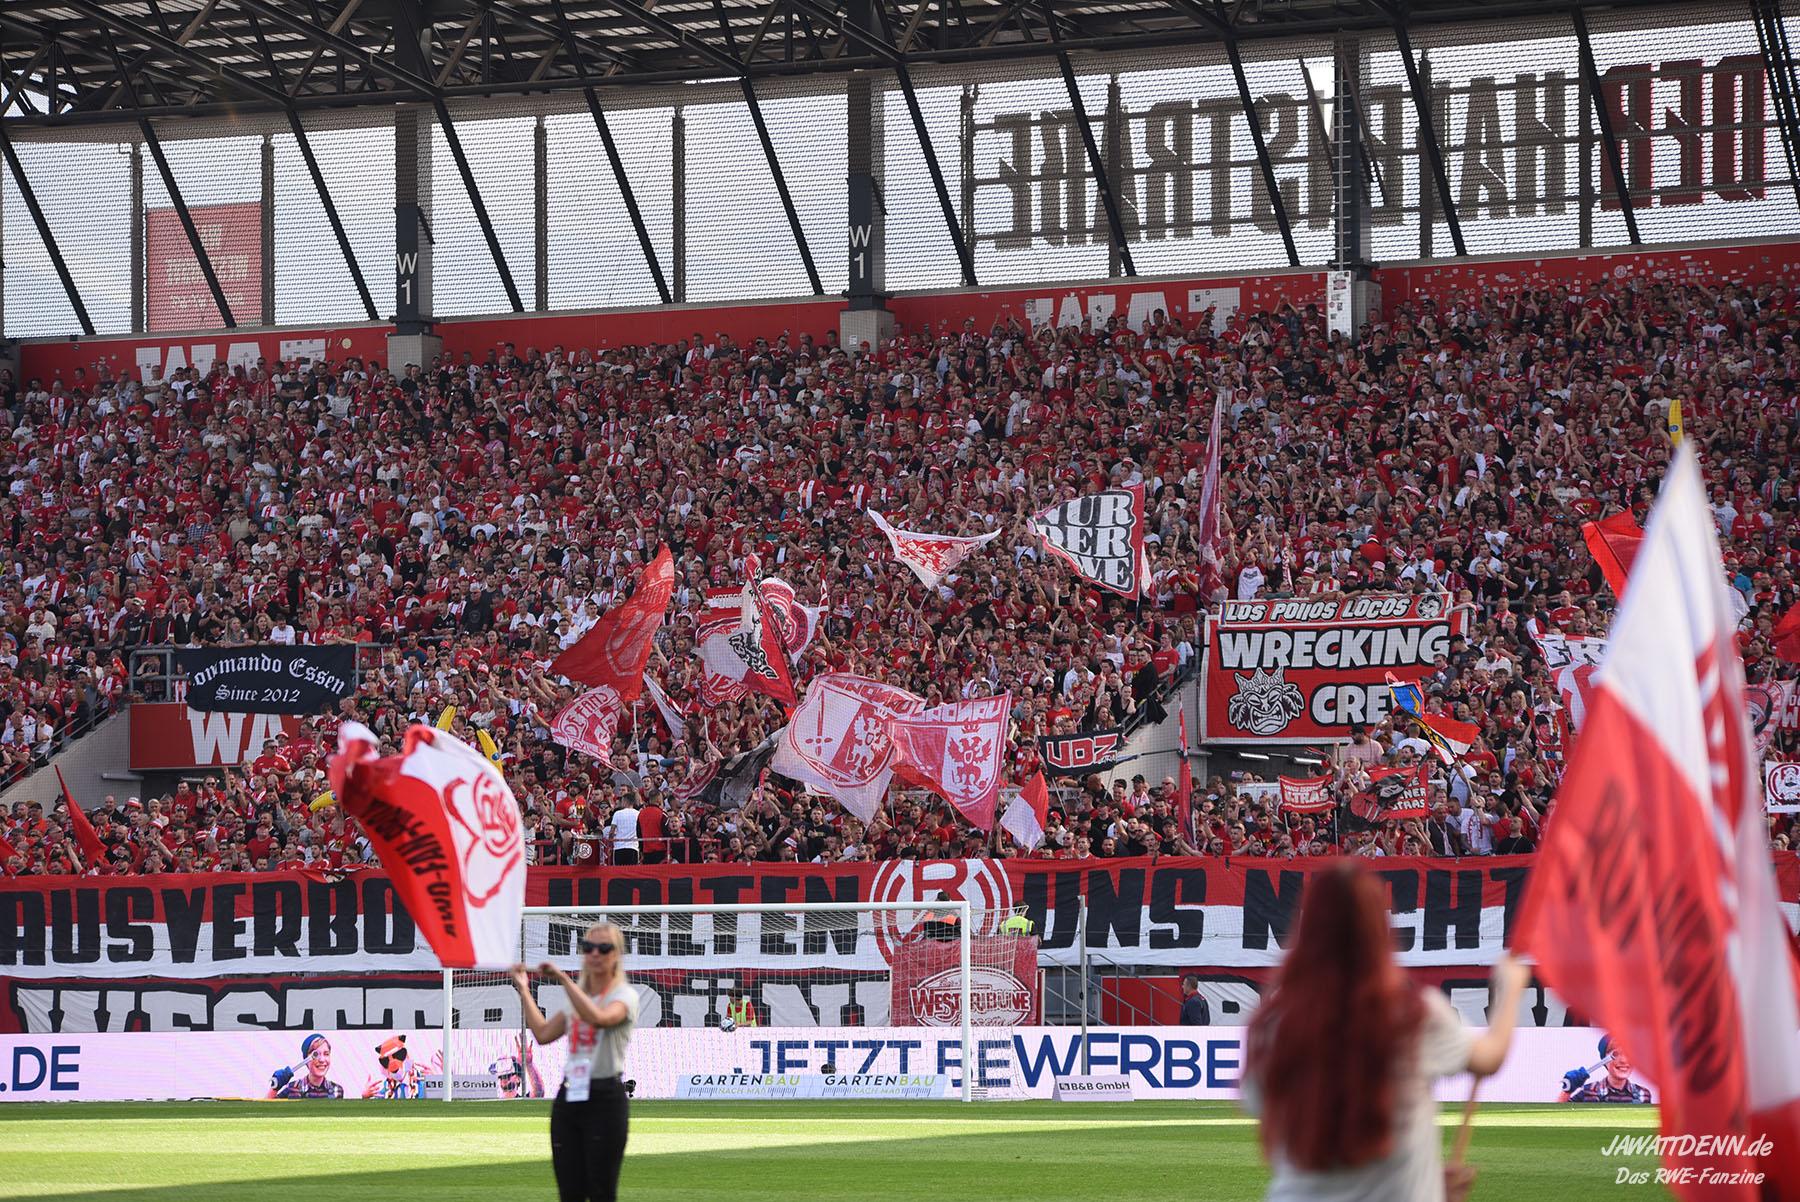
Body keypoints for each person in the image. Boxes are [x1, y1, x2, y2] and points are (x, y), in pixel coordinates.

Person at [1241, 862, 1530, 1200]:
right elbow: (1490, 1056)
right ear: (1379, 928)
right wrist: (1509, 989)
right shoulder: (1413, 1014)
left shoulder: (1272, 1026)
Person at [513, 922, 639, 1202]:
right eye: (588, 947)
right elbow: (544, 1034)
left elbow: (601, 1018)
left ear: (616, 955)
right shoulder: (578, 1000)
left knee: (601, 1192)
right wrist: (523, 990)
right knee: (569, 1192)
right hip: (570, 1095)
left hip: (605, 1097)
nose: (595, 953)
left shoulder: (624, 996)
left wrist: (564, 980)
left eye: (604, 948)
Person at [1558, 1036, 1652, 1103]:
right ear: (1604, 1060)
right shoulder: (1587, 1093)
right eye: (1616, 1054)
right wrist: (1566, 1091)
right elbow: (1557, 1119)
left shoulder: (1643, 1094)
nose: (1624, 1060)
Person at [268, 1032, 345, 1099]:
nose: (322, 1060)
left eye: (326, 1054)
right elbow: (267, 1110)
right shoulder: (292, 1089)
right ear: (306, 1060)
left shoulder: (337, 1090)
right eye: (316, 1054)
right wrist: (274, 1088)